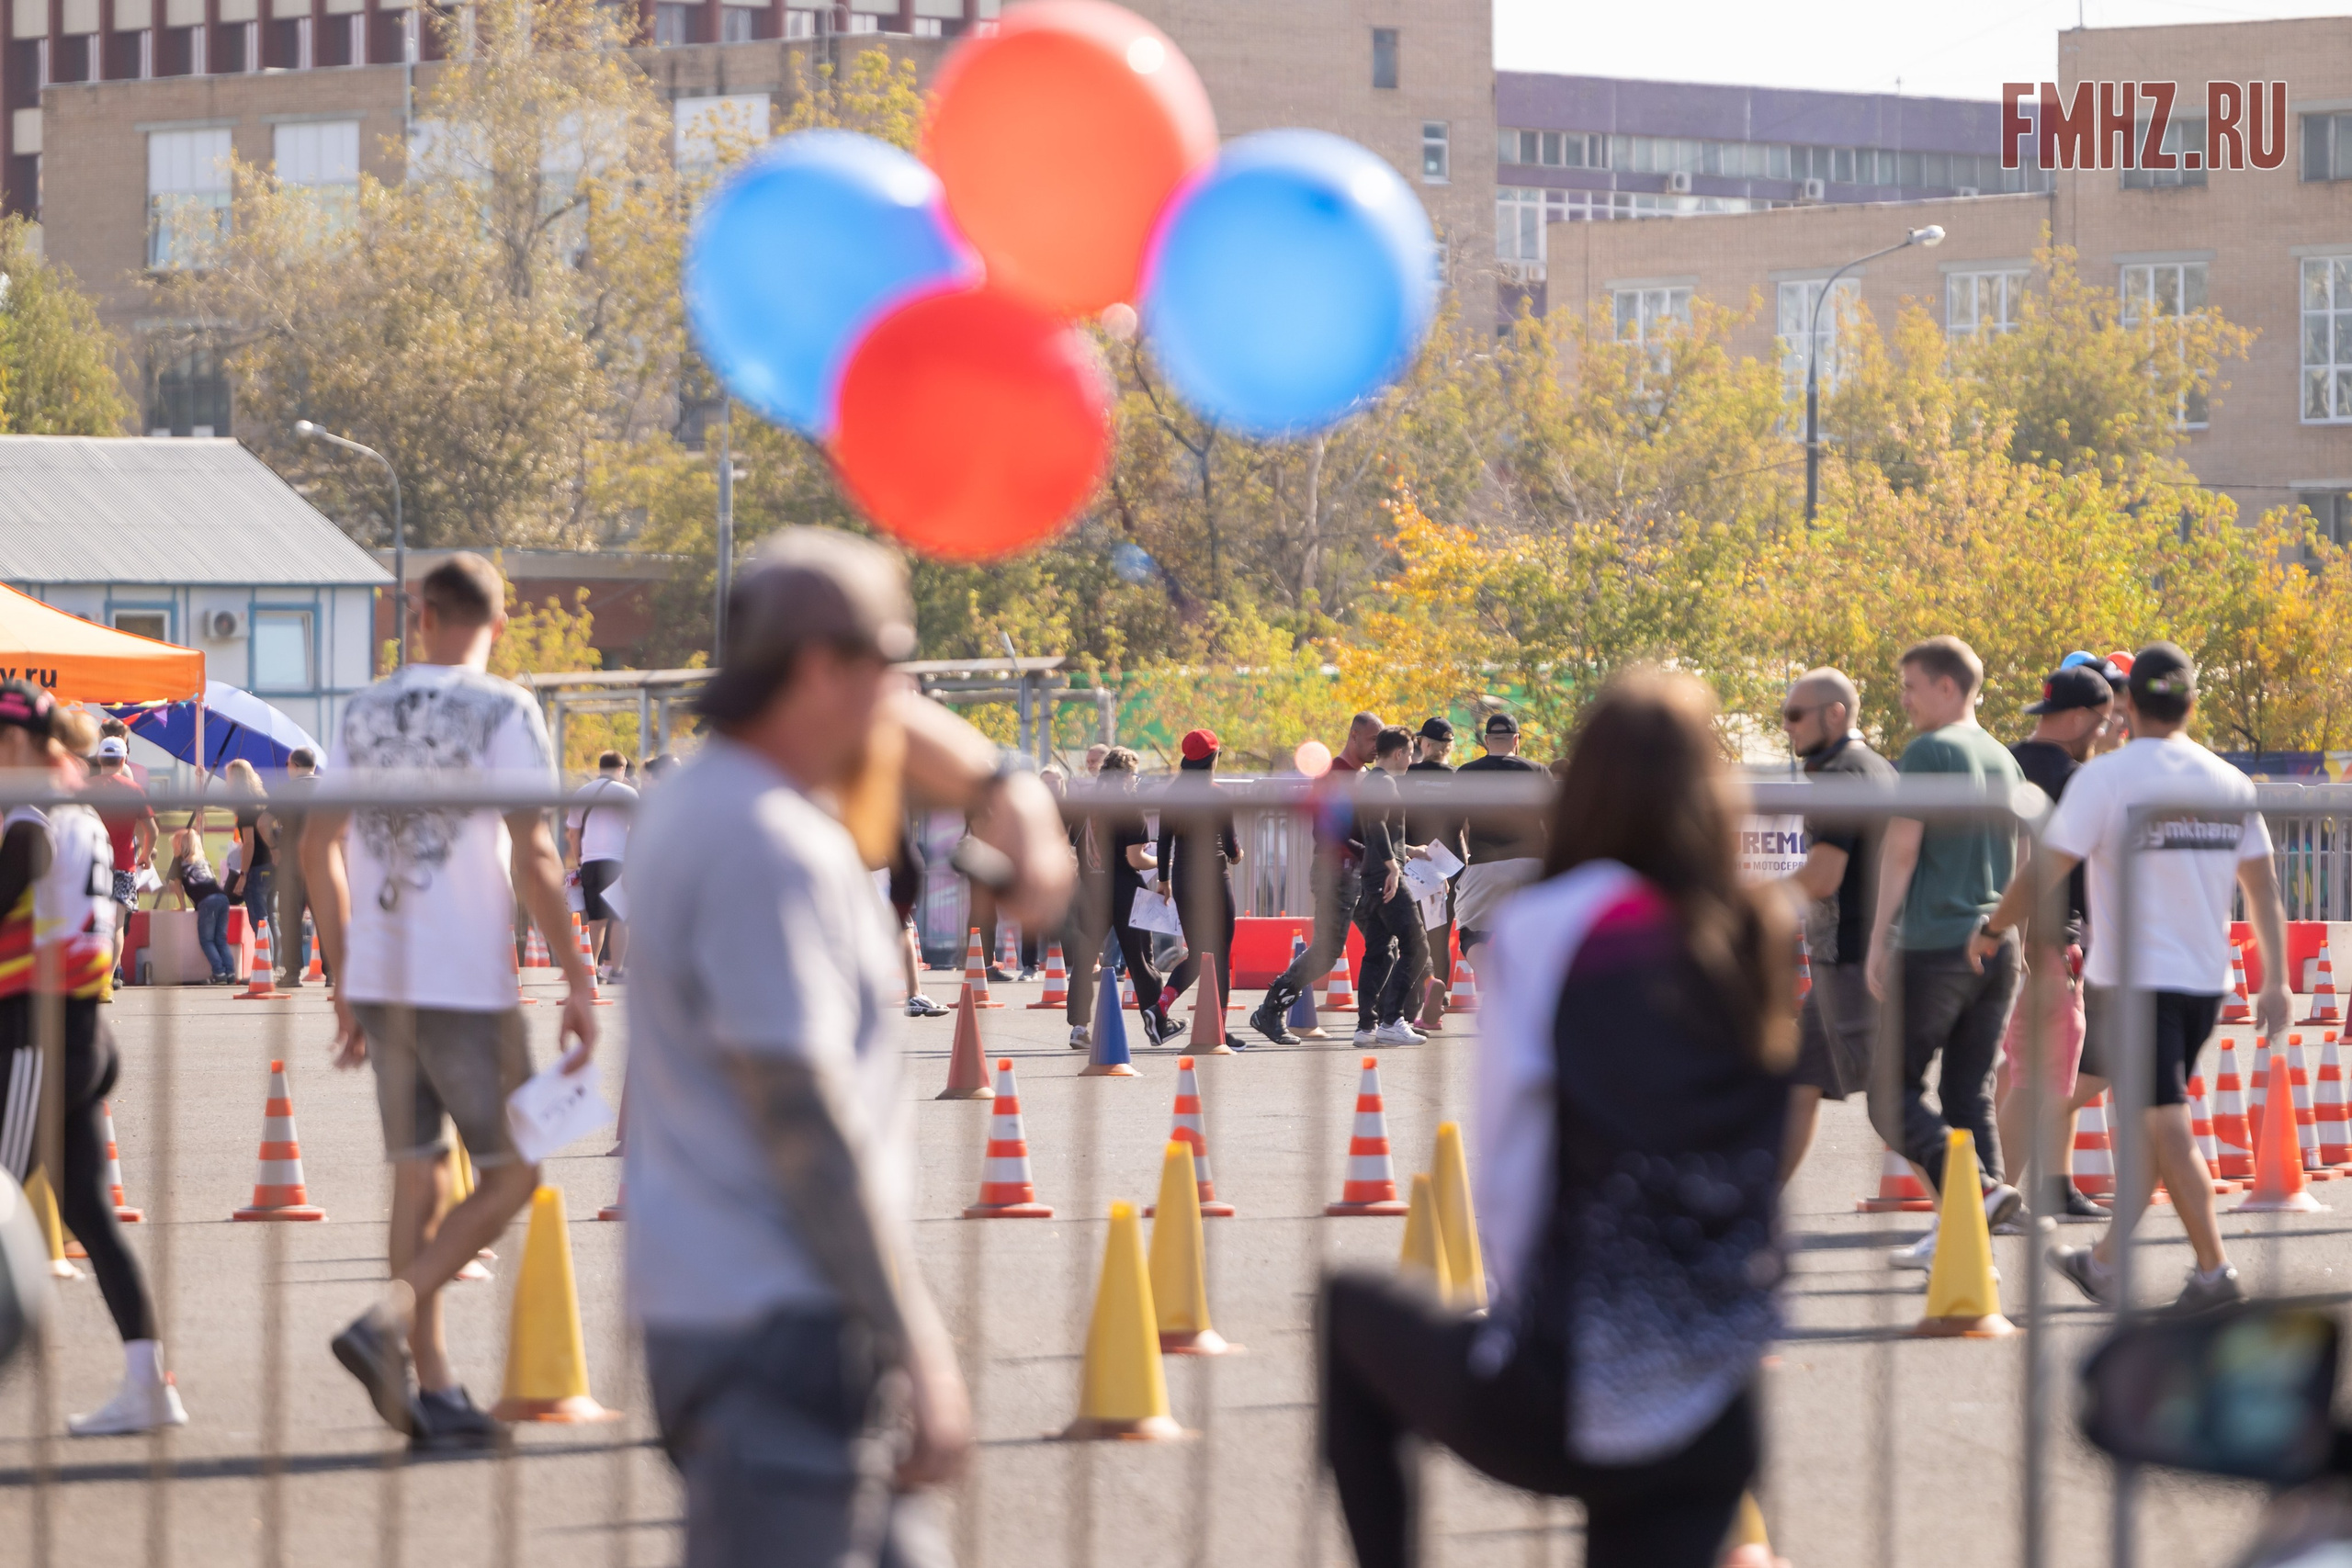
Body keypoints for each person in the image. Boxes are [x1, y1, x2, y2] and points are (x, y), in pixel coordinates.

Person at [624, 527, 1070, 1566]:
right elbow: (804, 1123)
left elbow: (912, 733)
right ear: (825, 670)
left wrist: (1014, 790)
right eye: (894, 658)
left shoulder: (709, 798)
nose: (909, 687)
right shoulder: (769, 845)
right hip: (774, 1316)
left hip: (732, 1304)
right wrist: (915, 1338)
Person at [1322, 670, 1790, 1568]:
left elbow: (1507, 1153)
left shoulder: (1551, 927)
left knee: (1348, 1312)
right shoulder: (1753, 925)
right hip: (1718, 1392)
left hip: (1572, 1376)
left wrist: (1516, 1317)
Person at [305, 553, 596, 1450]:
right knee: (512, 1174)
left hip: (383, 977)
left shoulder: (360, 710)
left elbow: (319, 846)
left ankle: (434, 1390)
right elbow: (538, 853)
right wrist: (580, 978)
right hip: (464, 982)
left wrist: (344, 969)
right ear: (498, 626)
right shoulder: (504, 710)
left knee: (419, 1172)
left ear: (417, 613)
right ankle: (388, 1320)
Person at [1974, 644, 2290, 1314]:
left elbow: (2045, 869)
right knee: (2146, 1122)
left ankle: (2215, 1270)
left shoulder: (2108, 779)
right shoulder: (2227, 780)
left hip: (2135, 981)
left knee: (2164, 1120)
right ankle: (2107, 1262)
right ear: (2193, 704)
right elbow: (2262, 889)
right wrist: (2276, 980)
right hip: (2205, 979)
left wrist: (1993, 925)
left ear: (2127, 708)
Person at [0, 684, 185, 1433]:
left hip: (35, 1040)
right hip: (76, 1035)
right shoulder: (69, 810)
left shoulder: (30, 820)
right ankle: (149, 1383)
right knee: (93, 1220)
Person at [1864, 637, 2026, 1268]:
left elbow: (1903, 847)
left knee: (1889, 1092)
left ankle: (1976, 1192)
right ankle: (1968, 1236)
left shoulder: (1931, 750)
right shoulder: (2003, 758)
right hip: (1997, 941)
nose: (1903, 699)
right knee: (1969, 1092)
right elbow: (2025, 858)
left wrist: (1880, 935)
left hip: (1936, 941)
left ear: (1948, 687)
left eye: (1911, 685)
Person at [1990, 663, 2113, 1221]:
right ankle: (1992, 1199)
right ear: (2084, 717)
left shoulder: (2003, 762)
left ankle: (1995, 1191)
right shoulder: (2075, 779)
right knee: (2042, 1077)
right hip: (2043, 941)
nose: (2107, 732)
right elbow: (2049, 864)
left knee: (2015, 1071)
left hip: (1991, 933)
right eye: (2105, 720)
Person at [1773, 669, 1896, 1185]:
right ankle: (1753, 1211)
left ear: (1836, 713)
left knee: (1896, 1106)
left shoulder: (1841, 774)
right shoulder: (1876, 767)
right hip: (1851, 958)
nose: (1788, 727)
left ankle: (1977, 1197)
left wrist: (1746, 903)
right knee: (1799, 1083)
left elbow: (1823, 876)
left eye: (1796, 715)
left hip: (1853, 960)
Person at [1248, 712, 1383, 1045]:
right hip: (1335, 872)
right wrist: (1367, 852)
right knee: (1327, 950)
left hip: (1361, 874)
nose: (1376, 749)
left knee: (1386, 940)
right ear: (1353, 736)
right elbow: (1327, 831)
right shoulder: (1333, 775)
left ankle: (1387, 1017)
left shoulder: (1366, 775)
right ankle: (1269, 1010)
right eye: (1371, 741)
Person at [1154, 728, 1243, 1032]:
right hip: (1214, 878)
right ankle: (1219, 1027)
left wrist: (1164, 880)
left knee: (1198, 951)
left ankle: (1160, 1006)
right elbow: (1231, 847)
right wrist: (1237, 853)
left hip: (1181, 878)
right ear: (1212, 759)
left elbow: (1164, 840)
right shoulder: (1217, 795)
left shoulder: (1172, 795)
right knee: (1220, 952)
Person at [1453, 713, 1545, 992]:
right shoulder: (1538, 771)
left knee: (1471, 935)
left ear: (1487, 742)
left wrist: (1455, 868)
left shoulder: (1467, 773)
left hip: (1486, 865)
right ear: (1517, 741)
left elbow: (1453, 826)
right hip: (1532, 864)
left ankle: (1497, 985)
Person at [1100, 748, 1184, 1045]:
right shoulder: (1130, 808)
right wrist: (1164, 864)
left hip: (1095, 885)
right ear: (1125, 776)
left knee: (1086, 958)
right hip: (1125, 888)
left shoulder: (1090, 804)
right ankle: (1158, 1022)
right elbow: (1135, 858)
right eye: (1134, 775)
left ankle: (1079, 1027)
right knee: (1141, 958)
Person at [1353, 726, 1429, 1047]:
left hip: (1374, 872)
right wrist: (1392, 866)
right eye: (1411, 753)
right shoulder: (1383, 782)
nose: (1412, 760)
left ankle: (1366, 1026)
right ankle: (1392, 1020)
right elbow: (1375, 826)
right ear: (1399, 753)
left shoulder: (1374, 782)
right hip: (1384, 875)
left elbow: (1381, 830)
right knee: (1418, 945)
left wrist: (1408, 851)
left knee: (1378, 950)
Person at [1405, 717, 1465, 1031]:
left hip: (1414, 860)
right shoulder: (1459, 778)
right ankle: (1436, 1004)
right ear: (1449, 747)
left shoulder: (1407, 776)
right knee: (1439, 934)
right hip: (1449, 864)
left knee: (1410, 933)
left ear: (1424, 744)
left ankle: (1410, 1002)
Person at [567, 750, 639, 985]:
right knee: (619, 918)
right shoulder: (628, 793)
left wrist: (579, 859)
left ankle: (592, 969)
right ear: (621, 769)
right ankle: (616, 971)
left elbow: (573, 833)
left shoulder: (581, 793)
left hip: (590, 863)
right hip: (618, 862)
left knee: (595, 920)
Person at [87, 736, 153, 982]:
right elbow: (152, 830)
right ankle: (107, 980)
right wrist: (145, 854)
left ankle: (88, 978)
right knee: (116, 925)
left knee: (91, 924)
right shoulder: (134, 790)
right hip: (124, 865)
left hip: (92, 862)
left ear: (99, 758)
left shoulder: (86, 788)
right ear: (124, 759)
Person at [160, 816, 236, 983]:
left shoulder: (179, 863)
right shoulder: (203, 860)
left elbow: (177, 886)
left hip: (207, 902)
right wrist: (200, 824)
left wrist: (182, 906)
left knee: (207, 940)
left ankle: (219, 973)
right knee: (220, 939)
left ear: (179, 847)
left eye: (174, 847)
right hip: (222, 898)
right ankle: (230, 973)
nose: (173, 850)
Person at [271, 748, 322, 987]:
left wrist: (274, 847)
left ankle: (292, 974)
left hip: (291, 862)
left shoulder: (284, 791)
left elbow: (263, 822)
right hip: (321, 861)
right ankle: (334, 975)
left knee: (290, 918)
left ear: (294, 765)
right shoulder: (329, 789)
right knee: (325, 917)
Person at [223, 758, 274, 971]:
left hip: (255, 867)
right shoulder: (262, 800)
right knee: (270, 916)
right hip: (270, 865)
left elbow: (249, 843)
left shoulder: (244, 807)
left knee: (259, 918)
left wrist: (243, 874)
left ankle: (265, 966)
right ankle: (275, 964)